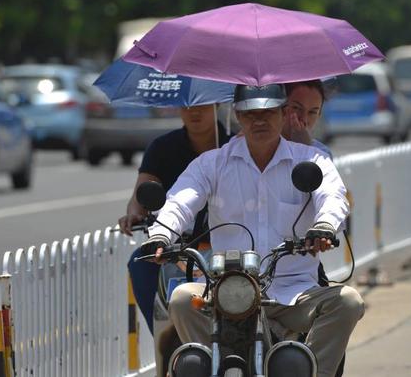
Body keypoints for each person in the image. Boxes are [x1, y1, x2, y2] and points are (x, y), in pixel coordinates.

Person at [141, 84, 364, 377]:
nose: (259, 120)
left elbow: (332, 198)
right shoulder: (212, 163)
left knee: (348, 302)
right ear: (237, 116)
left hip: (294, 293)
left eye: (268, 112)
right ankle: (217, 370)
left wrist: (323, 227)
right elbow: (181, 200)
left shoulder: (312, 160)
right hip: (224, 291)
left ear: (283, 113)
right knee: (182, 299)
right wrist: (162, 234)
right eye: (250, 113)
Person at [118, 103, 231, 334]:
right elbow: (141, 194)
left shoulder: (234, 148)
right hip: (177, 246)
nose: (194, 111)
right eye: (186, 105)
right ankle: (164, 336)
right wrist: (134, 213)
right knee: (140, 263)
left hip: (228, 244)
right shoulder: (163, 147)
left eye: (202, 105)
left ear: (218, 105)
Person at [282, 79, 332, 158]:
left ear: (319, 115)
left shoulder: (322, 154)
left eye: (312, 112)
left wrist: (305, 148)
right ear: (281, 108)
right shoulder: (264, 149)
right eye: (297, 108)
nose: (304, 119)